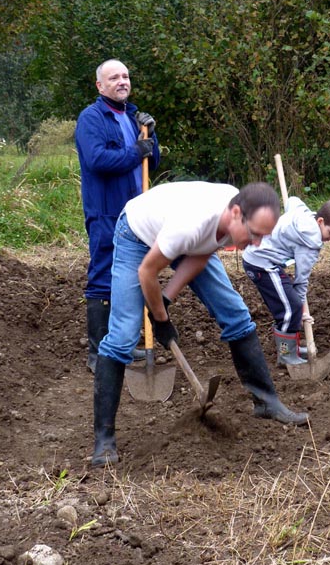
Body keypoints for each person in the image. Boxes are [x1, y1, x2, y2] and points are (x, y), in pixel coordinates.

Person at [92, 181, 309, 467]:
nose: (256, 244)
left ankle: (266, 402)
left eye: (262, 238)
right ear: (235, 213)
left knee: (236, 314)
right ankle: (104, 440)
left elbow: (201, 254)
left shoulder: (228, 220)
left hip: (181, 237)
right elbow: (147, 272)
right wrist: (160, 319)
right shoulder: (190, 225)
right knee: (122, 336)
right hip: (137, 235)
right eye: (254, 235)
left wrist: (166, 298)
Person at [75, 59, 160, 372]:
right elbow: (98, 159)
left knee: (132, 274)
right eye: (114, 78)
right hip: (106, 211)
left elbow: (153, 157)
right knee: (103, 275)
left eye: (125, 76)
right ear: (100, 85)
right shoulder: (91, 118)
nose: (122, 81)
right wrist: (136, 151)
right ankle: (98, 353)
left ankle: (121, 343)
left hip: (136, 213)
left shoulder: (135, 117)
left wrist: (151, 135)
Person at [242, 197, 330, 368]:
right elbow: (301, 281)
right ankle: (286, 355)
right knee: (291, 309)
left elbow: (292, 200)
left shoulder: (304, 213)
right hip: (261, 264)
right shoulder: (311, 244)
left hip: (264, 258)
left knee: (292, 308)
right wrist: (301, 310)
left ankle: (292, 348)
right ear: (320, 221)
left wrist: (302, 311)